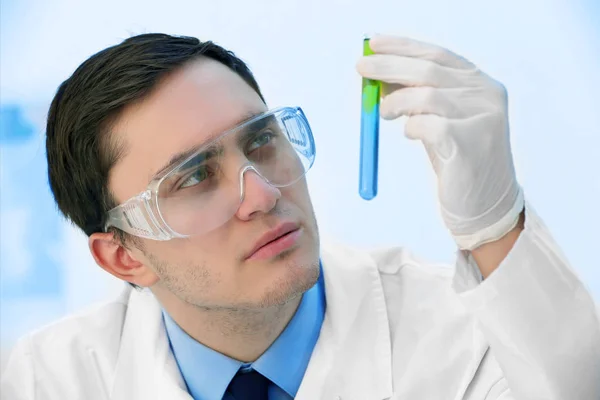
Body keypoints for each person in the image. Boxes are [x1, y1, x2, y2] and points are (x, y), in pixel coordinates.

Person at [1, 33, 598, 400]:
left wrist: (495, 227)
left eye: (261, 141)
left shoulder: (461, 334)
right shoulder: (42, 383)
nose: (261, 194)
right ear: (124, 256)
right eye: (193, 177)